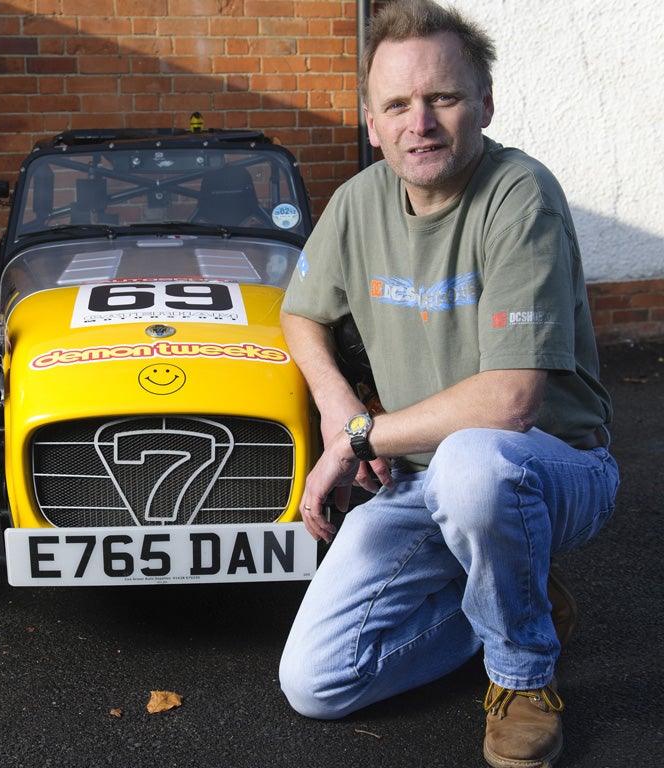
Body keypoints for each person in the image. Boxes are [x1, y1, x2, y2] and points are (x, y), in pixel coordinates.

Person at [277, 1, 620, 766]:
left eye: (443, 98)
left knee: (475, 463)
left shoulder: (520, 195)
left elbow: (510, 403)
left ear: (485, 104)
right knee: (317, 681)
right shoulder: (360, 201)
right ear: (372, 123)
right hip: (421, 482)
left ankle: (522, 674)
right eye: (397, 104)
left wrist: (364, 436)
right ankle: (512, 594)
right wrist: (340, 408)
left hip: (547, 465)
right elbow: (301, 314)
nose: (419, 122)